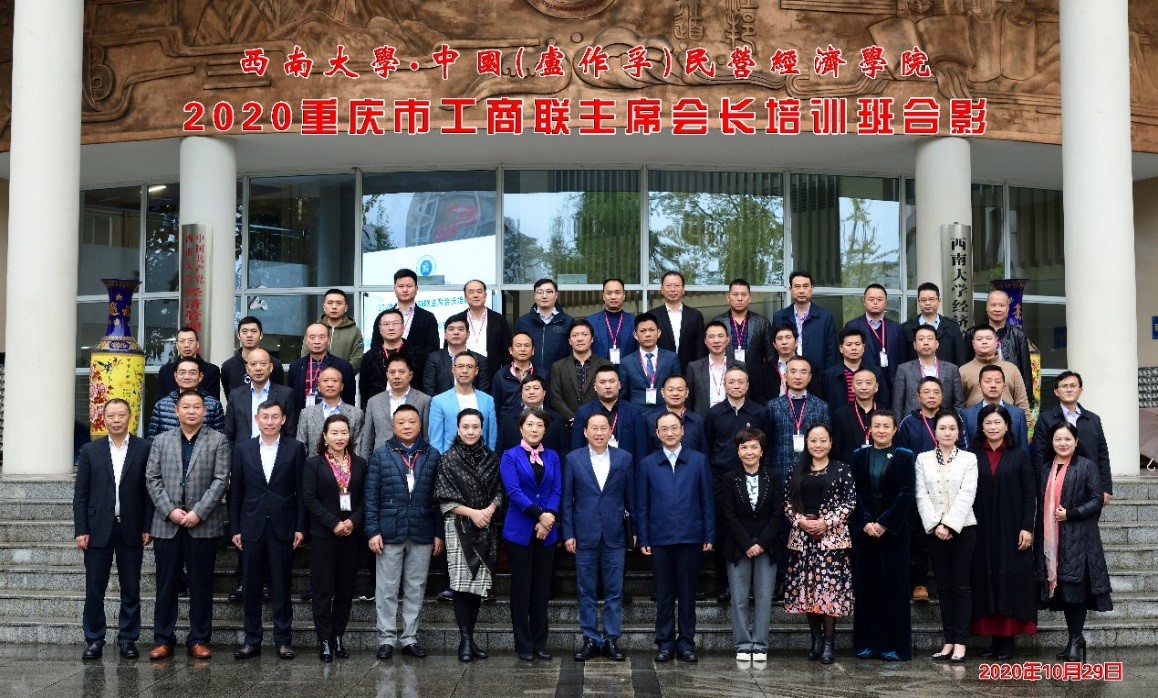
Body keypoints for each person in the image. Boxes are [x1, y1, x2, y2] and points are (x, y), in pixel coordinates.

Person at [144, 390, 231, 660]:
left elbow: (221, 480)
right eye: (186, 407)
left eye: (196, 407)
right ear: (176, 411)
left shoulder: (218, 440)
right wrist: (170, 510)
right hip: (166, 524)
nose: (191, 411)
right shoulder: (161, 440)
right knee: (166, 584)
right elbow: (152, 478)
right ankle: (163, 639)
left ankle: (199, 638)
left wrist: (198, 512)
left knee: (201, 584)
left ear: (204, 411)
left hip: (202, 524)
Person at [74, 399, 153, 660]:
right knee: (94, 589)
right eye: (111, 415)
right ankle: (94, 639)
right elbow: (81, 495)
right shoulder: (90, 450)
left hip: (131, 527)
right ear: (103, 418)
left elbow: (149, 492)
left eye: (121, 415)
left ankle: (128, 639)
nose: (116, 420)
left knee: (131, 589)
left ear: (130, 417)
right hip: (97, 529)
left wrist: (147, 525)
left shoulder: (144, 448)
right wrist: (81, 529)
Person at [229, 401, 307, 661]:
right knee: (251, 585)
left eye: (275, 417)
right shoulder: (243, 449)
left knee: (282, 585)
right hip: (251, 526)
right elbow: (236, 492)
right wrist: (235, 527)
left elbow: (301, 491)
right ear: (257, 419)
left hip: (283, 526)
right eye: (265, 417)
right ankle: (252, 640)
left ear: (283, 419)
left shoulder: (295, 448)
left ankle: (283, 640)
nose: (270, 421)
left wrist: (300, 526)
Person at [365, 404, 444, 660]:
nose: (407, 426)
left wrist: (438, 533)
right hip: (389, 531)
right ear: (393, 426)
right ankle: (386, 638)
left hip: (421, 530)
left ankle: (410, 638)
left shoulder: (432, 455)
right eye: (401, 422)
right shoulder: (381, 455)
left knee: (415, 587)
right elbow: (371, 497)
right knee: (386, 588)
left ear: (420, 425)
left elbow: (439, 499)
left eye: (412, 421)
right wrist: (372, 531)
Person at [637, 412, 715, 663]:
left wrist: (709, 533)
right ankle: (665, 642)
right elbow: (642, 505)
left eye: (674, 428)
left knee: (688, 593)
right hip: (660, 537)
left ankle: (687, 642)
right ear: (657, 434)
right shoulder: (648, 464)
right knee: (664, 593)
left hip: (691, 536)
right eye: (664, 429)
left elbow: (707, 500)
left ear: (682, 430)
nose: (669, 433)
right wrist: (644, 537)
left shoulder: (698, 460)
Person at [562, 412, 635, 662]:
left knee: (614, 590)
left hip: (615, 533)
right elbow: (566, 501)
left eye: (603, 428)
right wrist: (568, 533)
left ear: (610, 431)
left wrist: (634, 531)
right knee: (586, 590)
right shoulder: (573, 459)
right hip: (584, 533)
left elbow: (631, 498)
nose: (599, 432)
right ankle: (590, 639)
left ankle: (611, 639)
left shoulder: (624, 458)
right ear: (585, 432)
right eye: (594, 428)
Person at [1037, 422, 1112, 662]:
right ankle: (1075, 638)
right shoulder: (1046, 468)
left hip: (1080, 538)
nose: (1063, 443)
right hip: (1052, 538)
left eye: (1067, 439)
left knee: (1075, 590)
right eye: (1058, 439)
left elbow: (1096, 500)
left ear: (1076, 441)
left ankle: (1074, 640)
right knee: (1064, 592)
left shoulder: (1087, 466)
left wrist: (1072, 513)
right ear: (1052, 442)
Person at [434, 409, 504, 663]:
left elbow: (500, 491)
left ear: (482, 429)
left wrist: (488, 511)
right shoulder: (448, 459)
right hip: (458, 526)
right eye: (466, 427)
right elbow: (443, 498)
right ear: (458, 429)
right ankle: (464, 640)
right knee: (461, 585)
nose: (471, 432)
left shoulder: (492, 458)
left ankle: (470, 638)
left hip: (485, 525)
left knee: (477, 586)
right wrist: (472, 513)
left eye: (475, 427)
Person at [783, 423, 856, 665]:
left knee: (828, 593)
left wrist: (827, 522)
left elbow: (849, 502)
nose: (818, 445)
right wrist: (800, 521)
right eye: (813, 440)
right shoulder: (796, 470)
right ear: (806, 443)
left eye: (823, 440)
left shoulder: (842, 469)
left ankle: (828, 644)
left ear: (831, 443)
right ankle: (815, 640)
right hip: (802, 541)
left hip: (832, 542)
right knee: (808, 592)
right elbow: (787, 503)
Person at [969, 404, 1037, 661]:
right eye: (988, 423)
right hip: (981, 528)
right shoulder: (971, 456)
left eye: (998, 422)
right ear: (981, 426)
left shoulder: (1020, 456)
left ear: (1007, 426)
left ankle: (1007, 639)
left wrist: (1027, 527)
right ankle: (994, 639)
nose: (993, 427)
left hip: (1012, 529)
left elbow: (1029, 495)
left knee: (1010, 579)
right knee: (985, 578)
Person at [849, 409, 915, 661]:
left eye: (886, 426)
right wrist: (865, 522)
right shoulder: (859, 455)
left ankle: (892, 645)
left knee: (893, 588)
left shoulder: (904, 456)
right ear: (870, 428)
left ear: (895, 429)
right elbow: (853, 492)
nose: (881, 430)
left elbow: (907, 493)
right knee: (867, 587)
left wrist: (885, 523)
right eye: (877, 426)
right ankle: (866, 643)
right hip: (865, 532)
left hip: (894, 532)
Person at [301, 413, 367, 662]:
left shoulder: (360, 463)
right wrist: (334, 523)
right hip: (324, 535)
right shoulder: (314, 464)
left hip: (351, 535)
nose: (339, 437)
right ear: (325, 436)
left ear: (350, 435)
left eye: (344, 432)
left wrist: (352, 521)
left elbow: (365, 499)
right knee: (322, 590)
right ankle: (325, 640)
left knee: (345, 590)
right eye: (334, 433)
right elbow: (310, 499)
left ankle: (339, 636)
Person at [914, 410, 978, 663]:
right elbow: (921, 494)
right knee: (943, 586)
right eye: (942, 428)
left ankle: (961, 642)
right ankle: (948, 640)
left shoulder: (969, 459)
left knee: (960, 586)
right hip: (933, 531)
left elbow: (967, 494)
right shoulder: (923, 459)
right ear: (935, 431)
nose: (947, 432)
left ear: (959, 432)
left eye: (952, 428)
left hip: (964, 529)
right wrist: (936, 524)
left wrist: (950, 525)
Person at [500, 409, 562, 661]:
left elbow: (557, 490)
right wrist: (540, 515)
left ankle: (540, 642)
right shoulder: (510, 456)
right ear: (521, 428)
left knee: (541, 588)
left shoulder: (553, 456)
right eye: (530, 424)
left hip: (547, 531)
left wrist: (549, 518)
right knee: (521, 588)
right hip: (519, 530)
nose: (534, 429)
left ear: (545, 430)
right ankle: (523, 644)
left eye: (539, 425)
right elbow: (513, 492)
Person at [717, 427, 782, 664]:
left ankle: (761, 644)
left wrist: (761, 543)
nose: (749, 452)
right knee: (739, 598)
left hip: (767, 545)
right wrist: (747, 543)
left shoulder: (774, 477)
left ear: (762, 450)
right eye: (744, 447)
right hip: (738, 546)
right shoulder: (729, 478)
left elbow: (777, 514)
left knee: (764, 598)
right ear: (738, 451)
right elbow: (728, 515)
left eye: (754, 447)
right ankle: (743, 643)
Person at [1031, 371, 1112, 505]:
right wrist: (1041, 484)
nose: (1069, 389)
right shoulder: (1046, 418)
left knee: (1087, 517)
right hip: (1054, 483)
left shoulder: (1093, 420)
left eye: (1073, 386)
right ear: (1056, 392)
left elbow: (1102, 454)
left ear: (1080, 390)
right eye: (1064, 386)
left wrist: (1106, 487)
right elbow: (1038, 454)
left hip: (1088, 483)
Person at [570, 365, 648, 469]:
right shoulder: (583, 412)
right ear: (595, 386)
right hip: (592, 470)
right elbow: (576, 448)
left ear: (619, 385)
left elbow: (641, 449)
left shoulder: (633, 411)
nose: (607, 386)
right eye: (602, 382)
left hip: (625, 470)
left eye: (612, 381)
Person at [966, 290, 1034, 407]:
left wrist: (1026, 403)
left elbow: (1026, 373)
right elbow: (966, 367)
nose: (997, 309)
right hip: (978, 400)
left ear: (1008, 309)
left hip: (1009, 399)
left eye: (1002, 305)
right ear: (987, 308)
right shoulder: (972, 334)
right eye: (993, 305)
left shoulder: (1018, 335)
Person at [712, 278, 774, 402]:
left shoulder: (762, 322)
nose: (739, 298)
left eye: (744, 294)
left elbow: (770, 357)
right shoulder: (717, 322)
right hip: (725, 381)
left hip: (755, 383)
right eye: (735, 294)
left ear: (750, 298)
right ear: (728, 297)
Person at [358, 354, 431, 459]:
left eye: (401, 372)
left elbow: (426, 437)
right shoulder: (373, 402)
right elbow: (367, 439)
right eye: (392, 372)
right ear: (387, 375)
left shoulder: (424, 400)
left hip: (413, 460)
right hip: (381, 461)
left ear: (410, 375)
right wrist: (365, 463)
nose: (396, 376)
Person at [767, 356, 831, 475]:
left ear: (810, 377)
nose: (798, 377)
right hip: (780, 470)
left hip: (813, 471)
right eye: (793, 372)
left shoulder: (822, 406)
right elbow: (769, 445)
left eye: (803, 372)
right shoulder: (772, 406)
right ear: (785, 376)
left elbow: (827, 443)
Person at [224, 348, 297, 445]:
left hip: (277, 451)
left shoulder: (286, 394)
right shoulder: (235, 395)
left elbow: (290, 432)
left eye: (263, 364)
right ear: (247, 368)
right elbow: (229, 434)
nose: (258, 368)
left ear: (270, 367)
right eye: (253, 364)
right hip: (243, 452)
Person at [428, 352, 498, 452]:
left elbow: (492, 438)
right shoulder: (438, 401)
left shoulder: (488, 400)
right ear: (453, 369)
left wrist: (490, 458)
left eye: (469, 367)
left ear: (476, 371)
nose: (465, 371)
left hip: (481, 458)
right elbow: (435, 442)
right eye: (460, 366)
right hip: (450, 459)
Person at [548, 319, 613, 428]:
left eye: (584, 334)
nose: (580, 339)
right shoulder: (558, 367)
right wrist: (572, 418)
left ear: (592, 339)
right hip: (568, 425)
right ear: (569, 341)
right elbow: (555, 398)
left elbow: (610, 394)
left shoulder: (605, 365)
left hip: (599, 425)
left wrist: (595, 419)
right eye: (575, 335)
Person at [447, 279, 513, 382]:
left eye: (479, 291)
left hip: (492, 375)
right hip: (462, 375)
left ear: (485, 295)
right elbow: (447, 349)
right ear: (465, 296)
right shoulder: (456, 320)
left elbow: (506, 353)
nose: (475, 295)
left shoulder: (499, 320)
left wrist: (505, 379)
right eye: (471, 292)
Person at [844, 284, 905, 394]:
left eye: (879, 299)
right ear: (864, 302)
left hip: (891, 385)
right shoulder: (852, 326)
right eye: (871, 299)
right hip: (863, 385)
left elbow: (902, 358)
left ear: (886, 303)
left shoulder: (896, 328)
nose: (875, 302)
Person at [772, 270, 837, 372]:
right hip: (786, 374)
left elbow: (831, 353)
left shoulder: (825, 317)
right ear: (790, 289)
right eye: (797, 287)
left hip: (817, 375)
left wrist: (829, 377)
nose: (801, 291)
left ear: (812, 288)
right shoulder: (779, 317)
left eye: (805, 286)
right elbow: (774, 350)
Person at [892, 325, 965, 416]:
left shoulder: (952, 369)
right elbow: (897, 405)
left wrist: (956, 422)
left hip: (943, 421)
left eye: (930, 339)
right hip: (913, 421)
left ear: (937, 343)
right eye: (921, 339)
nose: (926, 342)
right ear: (914, 345)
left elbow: (959, 403)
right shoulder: (904, 369)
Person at [146, 357, 225, 440]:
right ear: (175, 376)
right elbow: (152, 440)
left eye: (192, 373)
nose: (187, 377)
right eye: (182, 373)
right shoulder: (161, 405)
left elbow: (220, 441)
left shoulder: (214, 405)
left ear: (200, 376)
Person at [288, 323, 356, 416]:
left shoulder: (344, 367)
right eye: (312, 337)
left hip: (335, 419)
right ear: (306, 341)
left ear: (329, 340)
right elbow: (291, 400)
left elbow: (349, 401)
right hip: (304, 419)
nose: (317, 342)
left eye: (321, 337)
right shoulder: (295, 367)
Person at [959, 324, 1030, 411]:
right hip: (974, 419)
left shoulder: (1011, 369)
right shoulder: (963, 371)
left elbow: (1022, 401)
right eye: (979, 339)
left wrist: (1025, 419)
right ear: (973, 344)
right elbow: (958, 404)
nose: (984, 342)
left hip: (1008, 418)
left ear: (997, 342)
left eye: (988, 338)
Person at [515, 277, 574, 380]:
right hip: (529, 379)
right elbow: (516, 351)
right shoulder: (523, 322)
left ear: (556, 295)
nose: (544, 296)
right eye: (540, 292)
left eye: (549, 292)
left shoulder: (568, 322)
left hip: (559, 378)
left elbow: (572, 353)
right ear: (534, 295)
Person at [961, 364, 1030, 451]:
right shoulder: (967, 415)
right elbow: (964, 450)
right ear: (979, 386)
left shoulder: (1017, 414)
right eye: (988, 381)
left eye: (997, 381)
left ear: (1004, 386)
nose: (993, 385)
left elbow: (1023, 448)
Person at [618, 312, 680, 410]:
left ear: (658, 333)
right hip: (637, 413)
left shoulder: (671, 358)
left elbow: (677, 386)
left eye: (651, 330)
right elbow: (623, 394)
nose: (648, 334)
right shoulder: (626, 362)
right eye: (643, 331)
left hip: (665, 412)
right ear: (635, 335)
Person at [819, 327, 889, 413]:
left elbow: (884, 401)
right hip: (839, 420)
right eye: (849, 344)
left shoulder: (875, 372)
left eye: (857, 344)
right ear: (841, 348)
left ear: (863, 347)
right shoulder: (829, 375)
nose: (853, 348)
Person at [296, 365, 363, 453]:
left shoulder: (356, 413)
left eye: (334, 381)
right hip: (314, 461)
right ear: (319, 386)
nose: (330, 385)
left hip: (346, 461)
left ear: (341, 386)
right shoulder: (306, 414)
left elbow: (358, 447)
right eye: (325, 381)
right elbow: (301, 447)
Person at [649, 270, 706, 372]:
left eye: (676, 286)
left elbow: (700, 348)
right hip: (660, 372)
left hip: (689, 371)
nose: (672, 289)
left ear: (683, 289)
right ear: (662, 289)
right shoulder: (652, 316)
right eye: (668, 286)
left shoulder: (695, 316)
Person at [497, 374, 568, 454]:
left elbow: (564, 452)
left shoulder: (558, 420)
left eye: (536, 388)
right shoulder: (508, 420)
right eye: (527, 389)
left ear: (544, 392)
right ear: (521, 394)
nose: (531, 392)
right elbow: (500, 452)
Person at [900, 282, 967, 366]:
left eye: (931, 299)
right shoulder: (907, 328)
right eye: (923, 300)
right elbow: (902, 359)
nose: (927, 303)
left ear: (939, 300)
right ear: (918, 301)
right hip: (916, 373)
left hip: (946, 373)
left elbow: (960, 357)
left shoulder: (952, 326)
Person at [424, 316, 491, 396]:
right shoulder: (434, 358)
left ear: (468, 334)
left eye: (461, 329)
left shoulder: (480, 360)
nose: (456, 332)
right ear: (445, 334)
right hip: (441, 404)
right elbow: (429, 391)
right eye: (451, 329)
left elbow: (483, 393)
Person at [300, 288, 364, 372]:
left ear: (346, 307)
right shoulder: (314, 329)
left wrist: (338, 375)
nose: (334, 307)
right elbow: (305, 355)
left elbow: (357, 360)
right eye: (330, 303)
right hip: (314, 377)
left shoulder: (354, 331)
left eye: (339, 303)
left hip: (343, 378)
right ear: (323, 306)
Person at [685, 321, 740, 416]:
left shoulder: (739, 366)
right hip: (702, 420)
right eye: (711, 337)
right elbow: (689, 400)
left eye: (720, 336)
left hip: (732, 418)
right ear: (705, 341)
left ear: (727, 340)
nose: (716, 340)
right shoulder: (694, 367)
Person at [221, 316, 286, 395]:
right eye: (244, 331)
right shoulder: (228, 366)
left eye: (253, 331)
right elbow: (230, 396)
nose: (249, 335)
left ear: (261, 335)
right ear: (238, 335)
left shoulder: (274, 364)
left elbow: (279, 394)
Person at [643, 375, 707, 455]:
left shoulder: (698, 421)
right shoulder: (651, 421)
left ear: (687, 393)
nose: (675, 393)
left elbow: (704, 453)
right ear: (662, 392)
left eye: (680, 390)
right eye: (670, 390)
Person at [830, 367, 881, 466]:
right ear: (852, 388)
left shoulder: (885, 414)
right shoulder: (840, 414)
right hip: (849, 469)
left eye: (868, 383)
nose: (864, 387)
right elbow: (836, 449)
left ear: (876, 387)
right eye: (859, 383)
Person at [392, 268, 440, 368]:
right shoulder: (384, 317)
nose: (405, 290)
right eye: (401, 286)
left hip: (419, 372)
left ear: (416, 288)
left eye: (409, 286)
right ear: (394, 288)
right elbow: (376, 348)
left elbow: (433, 350)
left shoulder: (428, 318)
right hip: (389, 373)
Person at [157, 326, 221, 402]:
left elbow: (213, 403)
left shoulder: (212, 370)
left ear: (197, 344)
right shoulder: (165, 371)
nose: (186, 345)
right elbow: (160, 401)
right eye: (182, 341)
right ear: (177, 345)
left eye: (191, 341)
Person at [588, 278, 637, 362]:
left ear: (624, 295)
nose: (613, 297)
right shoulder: (590, 322)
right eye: (609, 293)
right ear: (603, 296)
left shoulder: (635, 322)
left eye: (617, 293)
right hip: (599, 369)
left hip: (627, 369)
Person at [766, 322, 820, 398]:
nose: (784, 342)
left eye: (788, 337)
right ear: (774, 344)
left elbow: (816, 397)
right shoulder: (764, 371)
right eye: (780, 338)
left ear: (796, 342)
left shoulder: (811, 367)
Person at [493, 332, 537, 416]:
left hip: (534, 421)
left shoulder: (542, 374)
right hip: (508, 422)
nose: (523, 349)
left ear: (533, 350)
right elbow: (496, 406)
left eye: (527, 345)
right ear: (510, 350)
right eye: (518, 345)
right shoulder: (500, 375)